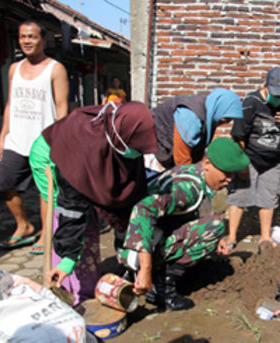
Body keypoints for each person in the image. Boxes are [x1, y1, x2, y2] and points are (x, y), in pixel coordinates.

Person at [36, 101, 157, 305]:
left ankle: (89, 281)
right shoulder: (81, 155)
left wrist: (133, 248)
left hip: (94, 152)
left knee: (91, 224)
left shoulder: (124, 135)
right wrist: (68, 260)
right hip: (52, 155)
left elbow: (132, 194)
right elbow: (71, 208)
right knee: (77, 225)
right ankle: (69, 291)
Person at [110, 137, 249, 311]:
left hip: (136, 241)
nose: (229, 179)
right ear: (207, 163)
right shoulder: (189, 188)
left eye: (232, 174)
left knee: (208, 228)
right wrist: (145, 268)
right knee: (215, 226)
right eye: (226, 173)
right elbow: (143, 209)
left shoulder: (190, 172)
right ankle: (163, 289)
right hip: (136, 250)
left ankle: (149, 273)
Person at [0, 19, 69, 249]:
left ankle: (46, 234)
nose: (27, 41)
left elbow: (62, 108)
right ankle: (24, 225)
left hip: (44, 141)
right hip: (16, 139)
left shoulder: (55, 69)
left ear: (43, 40)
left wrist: (59, 142)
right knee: (6, 184)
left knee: (45, 192)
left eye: (32, 36)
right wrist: (2, 136)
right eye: (23, 36)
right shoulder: (14, 68)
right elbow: (9, 104)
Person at [225, 67, 280, 249]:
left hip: (274, 160)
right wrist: (242, 165)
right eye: (275, 94)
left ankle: (265, 237)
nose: (279, 99)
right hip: (250, 158)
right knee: (239, 196)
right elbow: (238, 136)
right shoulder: (251, 102)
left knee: (268, 199)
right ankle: (231, 236)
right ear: (265, 86)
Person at [144, 88, 243, 175]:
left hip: (168, 156)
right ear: (219, 109)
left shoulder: (210, 114)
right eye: (226, 118)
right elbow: (182, 158)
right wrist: (190, 180)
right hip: (154, 156)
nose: (227, 122)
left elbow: (198, 151)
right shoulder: (191, 116)